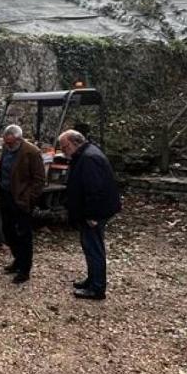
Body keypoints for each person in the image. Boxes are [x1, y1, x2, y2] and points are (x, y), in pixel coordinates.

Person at [58, 128, 121, 300]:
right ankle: (92, 280)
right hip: (90, 211)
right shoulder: (84, 154)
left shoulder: (89, 158)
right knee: (89, 247)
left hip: (95, 212)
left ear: (74, 143)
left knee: (94, 249)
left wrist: (92, 215)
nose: (63, 151)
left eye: (64, 147)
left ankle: (97, 288)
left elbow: (95, 190)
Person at [0, 124, 46, 284]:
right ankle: (17, 260)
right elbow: (1, 165)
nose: (7, 146)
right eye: (6, 143)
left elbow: (39, 180)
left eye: (10, 143)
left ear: (19, 139)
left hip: (21, 199)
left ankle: (24, 269)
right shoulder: (6, 148)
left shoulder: (32, 152)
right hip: (5, 195)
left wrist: (28, 199)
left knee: (23, 234)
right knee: (8, 231)